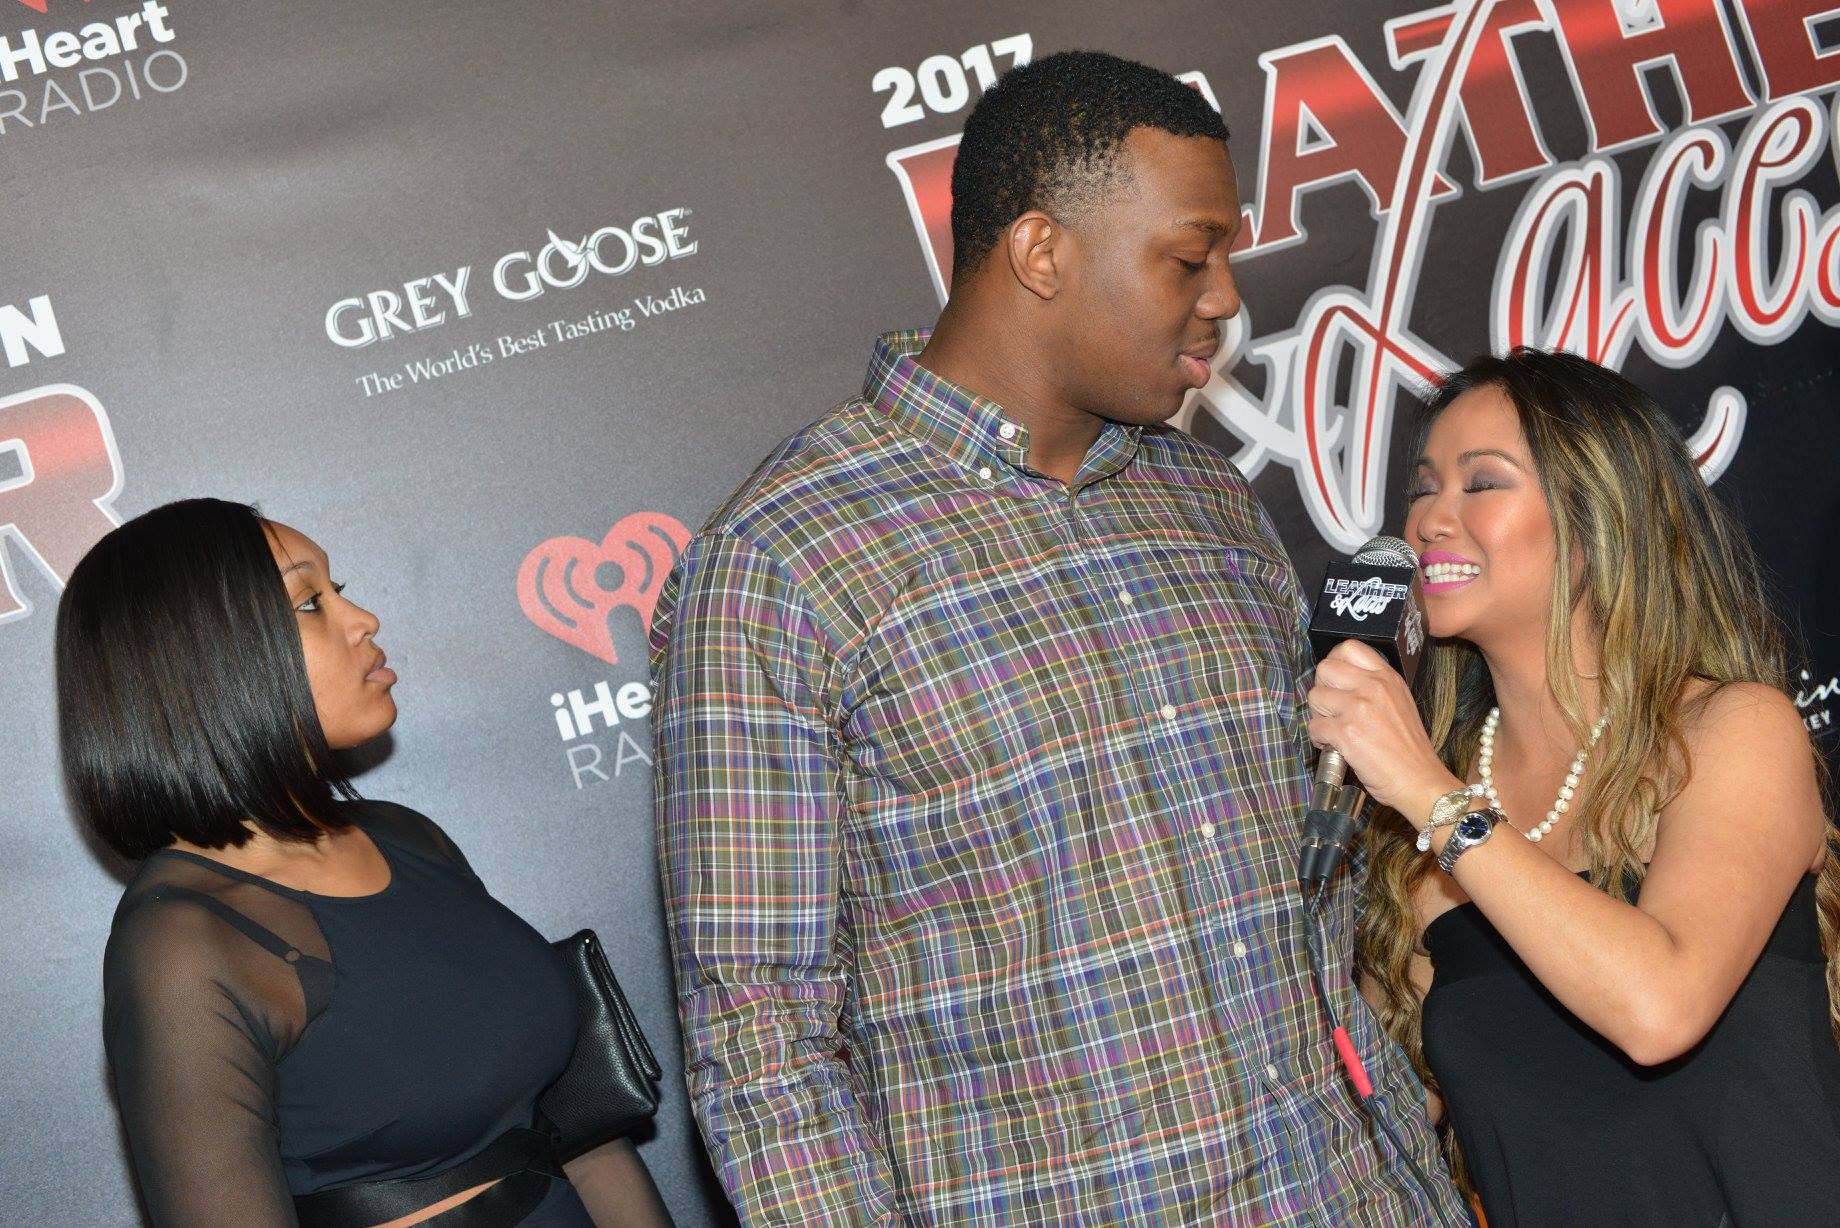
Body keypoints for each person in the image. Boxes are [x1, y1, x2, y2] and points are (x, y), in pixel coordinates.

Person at [651, 51, 1463, 1225]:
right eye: (1188, 257)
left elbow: (1306, 895)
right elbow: (760, 1039)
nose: (1225, 297)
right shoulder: (784, 563)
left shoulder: (1206, 499)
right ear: (1040, 252)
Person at [1310, 349, 1840, 1226]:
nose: (1431, 518)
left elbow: (1658, 1007)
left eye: (1483, 483)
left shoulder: (1731, 732)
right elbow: (1380, 1134)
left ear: (1600, 519)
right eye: (1423, 487)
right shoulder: (1416, 840)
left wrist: (1430, 795)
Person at [60, 498, 672, 1228]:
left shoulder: (406, 838)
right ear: (202, 660)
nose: (364, 620)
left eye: (338, 590)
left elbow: (578, 1134)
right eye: (310, 602)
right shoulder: (183, 944)